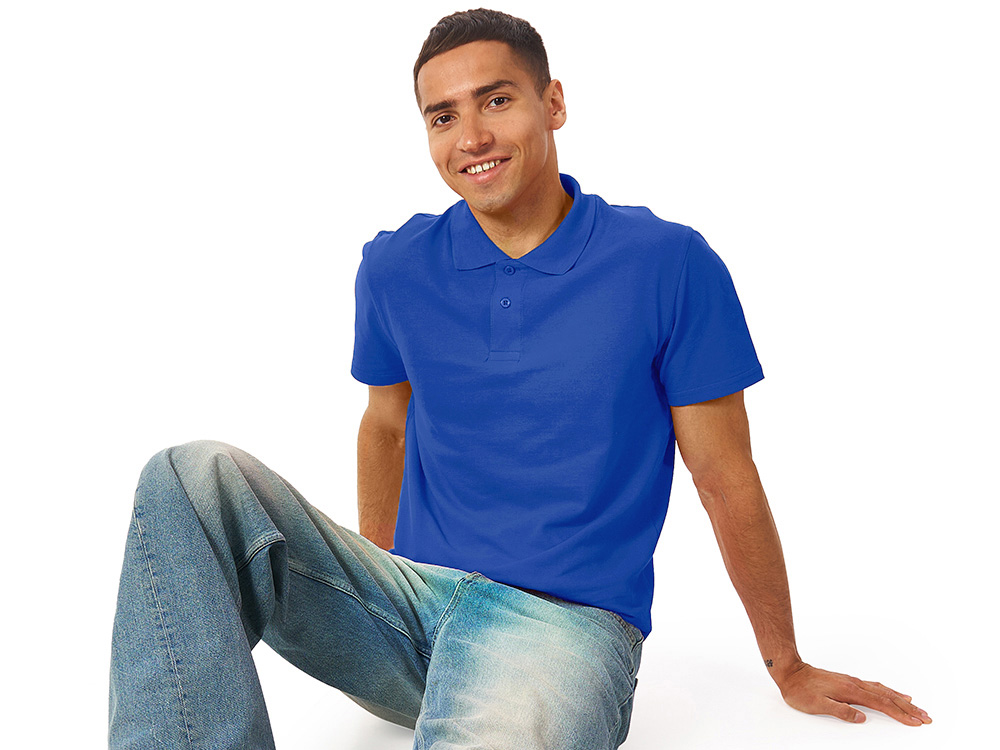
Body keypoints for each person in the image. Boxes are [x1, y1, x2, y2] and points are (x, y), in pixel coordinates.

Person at [109, 8, 931, 749]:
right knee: (187, 477)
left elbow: (723, 474)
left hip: (561, 634)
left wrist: (787, 663)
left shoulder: (669, 264)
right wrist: (378, 585)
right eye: (443, 116)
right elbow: (386, 425)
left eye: (496, 101)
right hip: (412, 612)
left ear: (553, 104)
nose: (471, 136)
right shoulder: (394, 266)